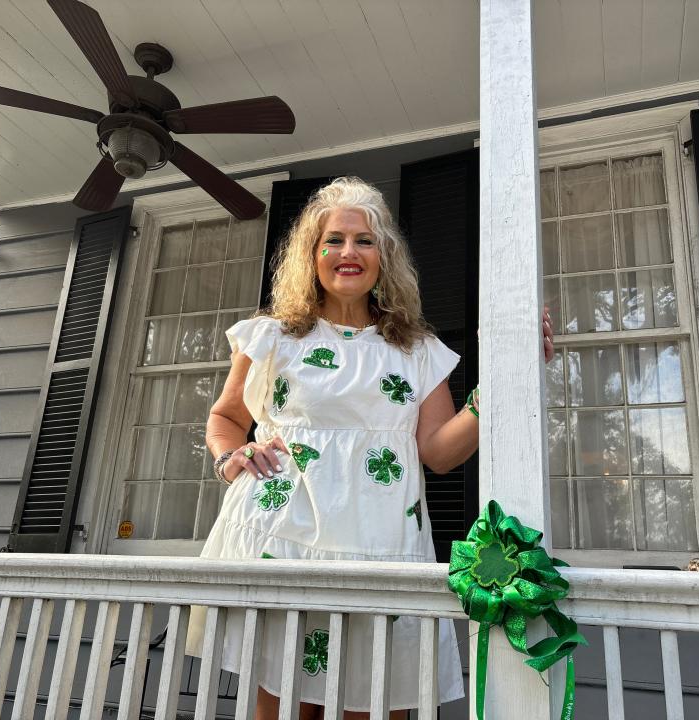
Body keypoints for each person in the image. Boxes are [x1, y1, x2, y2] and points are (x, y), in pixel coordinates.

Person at [187, 177, 555, 719]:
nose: (348, 252)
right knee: (286, 702)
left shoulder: (418, 351)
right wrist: (228, 457)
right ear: (311, 255)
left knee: (377, 700)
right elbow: (226, 418)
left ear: (385, 256)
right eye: (333, 240)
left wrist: (500, 385)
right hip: (284, 539)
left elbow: (438, 451)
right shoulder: (271, 337)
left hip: (381, 543)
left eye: (364, 240)